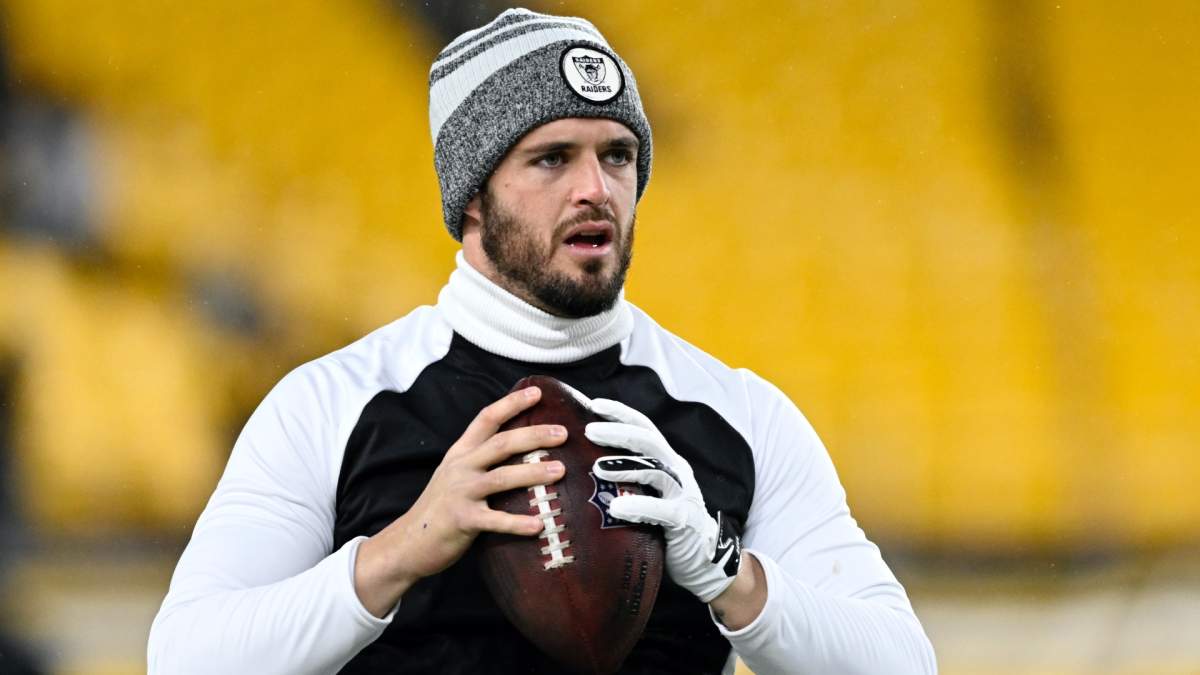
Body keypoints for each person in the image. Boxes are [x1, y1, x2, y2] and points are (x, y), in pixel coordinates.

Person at [148, 8, 936, 674]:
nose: (596, 189)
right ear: (473, 198)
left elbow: (904, 661)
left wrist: (726, 569)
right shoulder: (333, 405)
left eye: (617, 155)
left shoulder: (735, 414)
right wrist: (402, 548)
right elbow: (184, 656)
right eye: (552, 158)